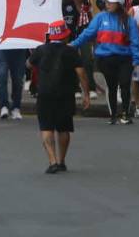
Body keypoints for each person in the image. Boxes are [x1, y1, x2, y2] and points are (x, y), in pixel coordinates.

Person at [29, 21, 90, 174]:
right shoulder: (71, 51)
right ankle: (62, 161)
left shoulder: (41, 50)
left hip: (44, 93)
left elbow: (29, 64)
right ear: (65, 35)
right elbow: (81, 73)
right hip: (65, 93)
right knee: (64, 128)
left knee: (46, 127)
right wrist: (86, 94)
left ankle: (52, 161)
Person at [71, 0, 139, 124]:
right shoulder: (100, 17)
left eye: (111, 2)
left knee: (125, 84)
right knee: (112, 85)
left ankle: (126, 113)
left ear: (119, 5)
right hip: (105, 58)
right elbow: (87, 33)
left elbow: (135, 41)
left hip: (125, 58)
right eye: (107, 2)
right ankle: (113, 115)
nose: (107, 4)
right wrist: (74, 44)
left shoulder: (129, 20)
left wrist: (136, 59)